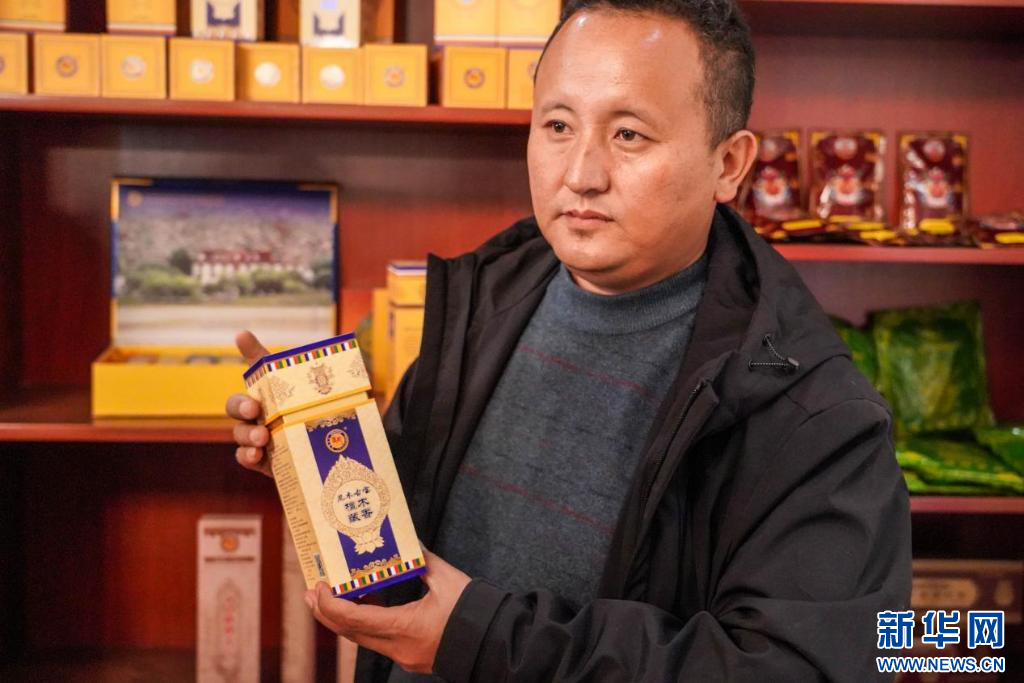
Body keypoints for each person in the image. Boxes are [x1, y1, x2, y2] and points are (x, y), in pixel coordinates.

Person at [226, 1, 912, 680]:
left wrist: (482, 639)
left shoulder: (816, 416)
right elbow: (420, 523)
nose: (581, 173)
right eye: (558, 125)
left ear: (729, 164)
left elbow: (794, 669)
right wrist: (318, 456)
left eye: (629, 135)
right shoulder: (484, 297)